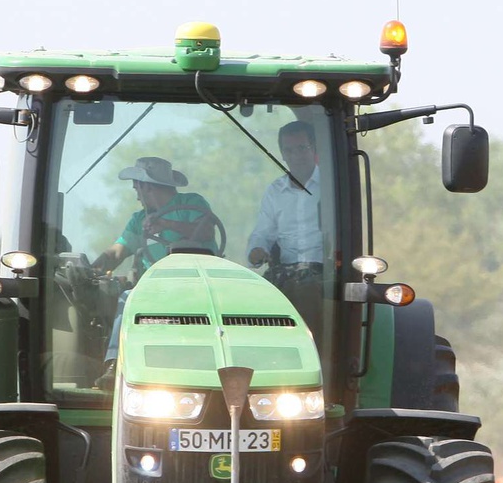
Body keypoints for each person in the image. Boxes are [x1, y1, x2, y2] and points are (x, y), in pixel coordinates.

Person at [92, 157, 218, 389]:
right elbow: (118, 251)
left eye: (136, 186)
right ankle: (114, 365)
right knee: (128, 297)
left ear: (147, 186)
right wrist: (93, 268)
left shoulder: (191, 203)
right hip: (155, 289)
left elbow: (206, 230)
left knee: (128, 299)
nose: (135, 193)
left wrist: (166, 225)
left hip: (196, 285)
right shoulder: (139, 219)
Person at [246, 120, 327, 337]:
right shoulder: (275, 191)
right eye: (289, 150)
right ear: (282, 154)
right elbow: (263, 233)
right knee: (245, 299)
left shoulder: (332, 186)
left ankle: (317, 359)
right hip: (285, 270)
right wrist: (256, 251)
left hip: (325, 271)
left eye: (302, 148)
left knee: (304, 293)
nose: (296, 156)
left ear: (314, 149)